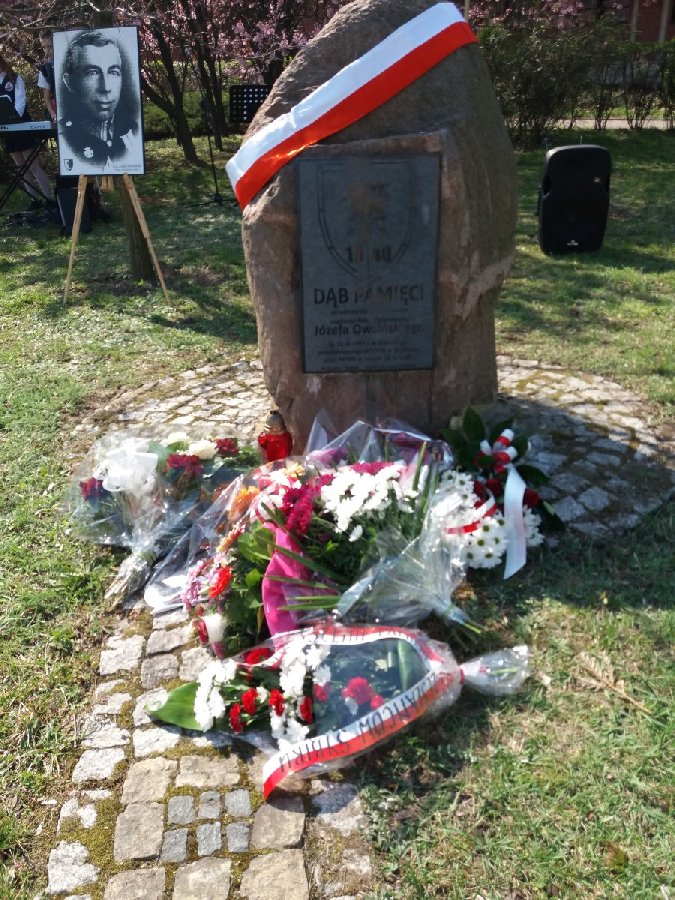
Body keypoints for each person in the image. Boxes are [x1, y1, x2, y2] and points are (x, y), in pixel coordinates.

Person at [58, 29, 142, 172]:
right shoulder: (65, 137)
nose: (106, 87)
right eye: (93, 73)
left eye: (113, 72)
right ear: (70, 83)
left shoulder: (133, 131)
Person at [0, 49, 54, 207]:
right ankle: (34, 200)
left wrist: (12, 118)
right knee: (21, 168)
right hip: (6, 129)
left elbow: (20, 103)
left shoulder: (15, 78)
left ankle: (49, 199)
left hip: (21, 126)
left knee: (33, 165)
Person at [37, 31, 57, 123]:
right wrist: (53, 114)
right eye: (44, 47)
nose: (46, 50)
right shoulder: (45, 69)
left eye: (49, 46)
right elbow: (46, 95)